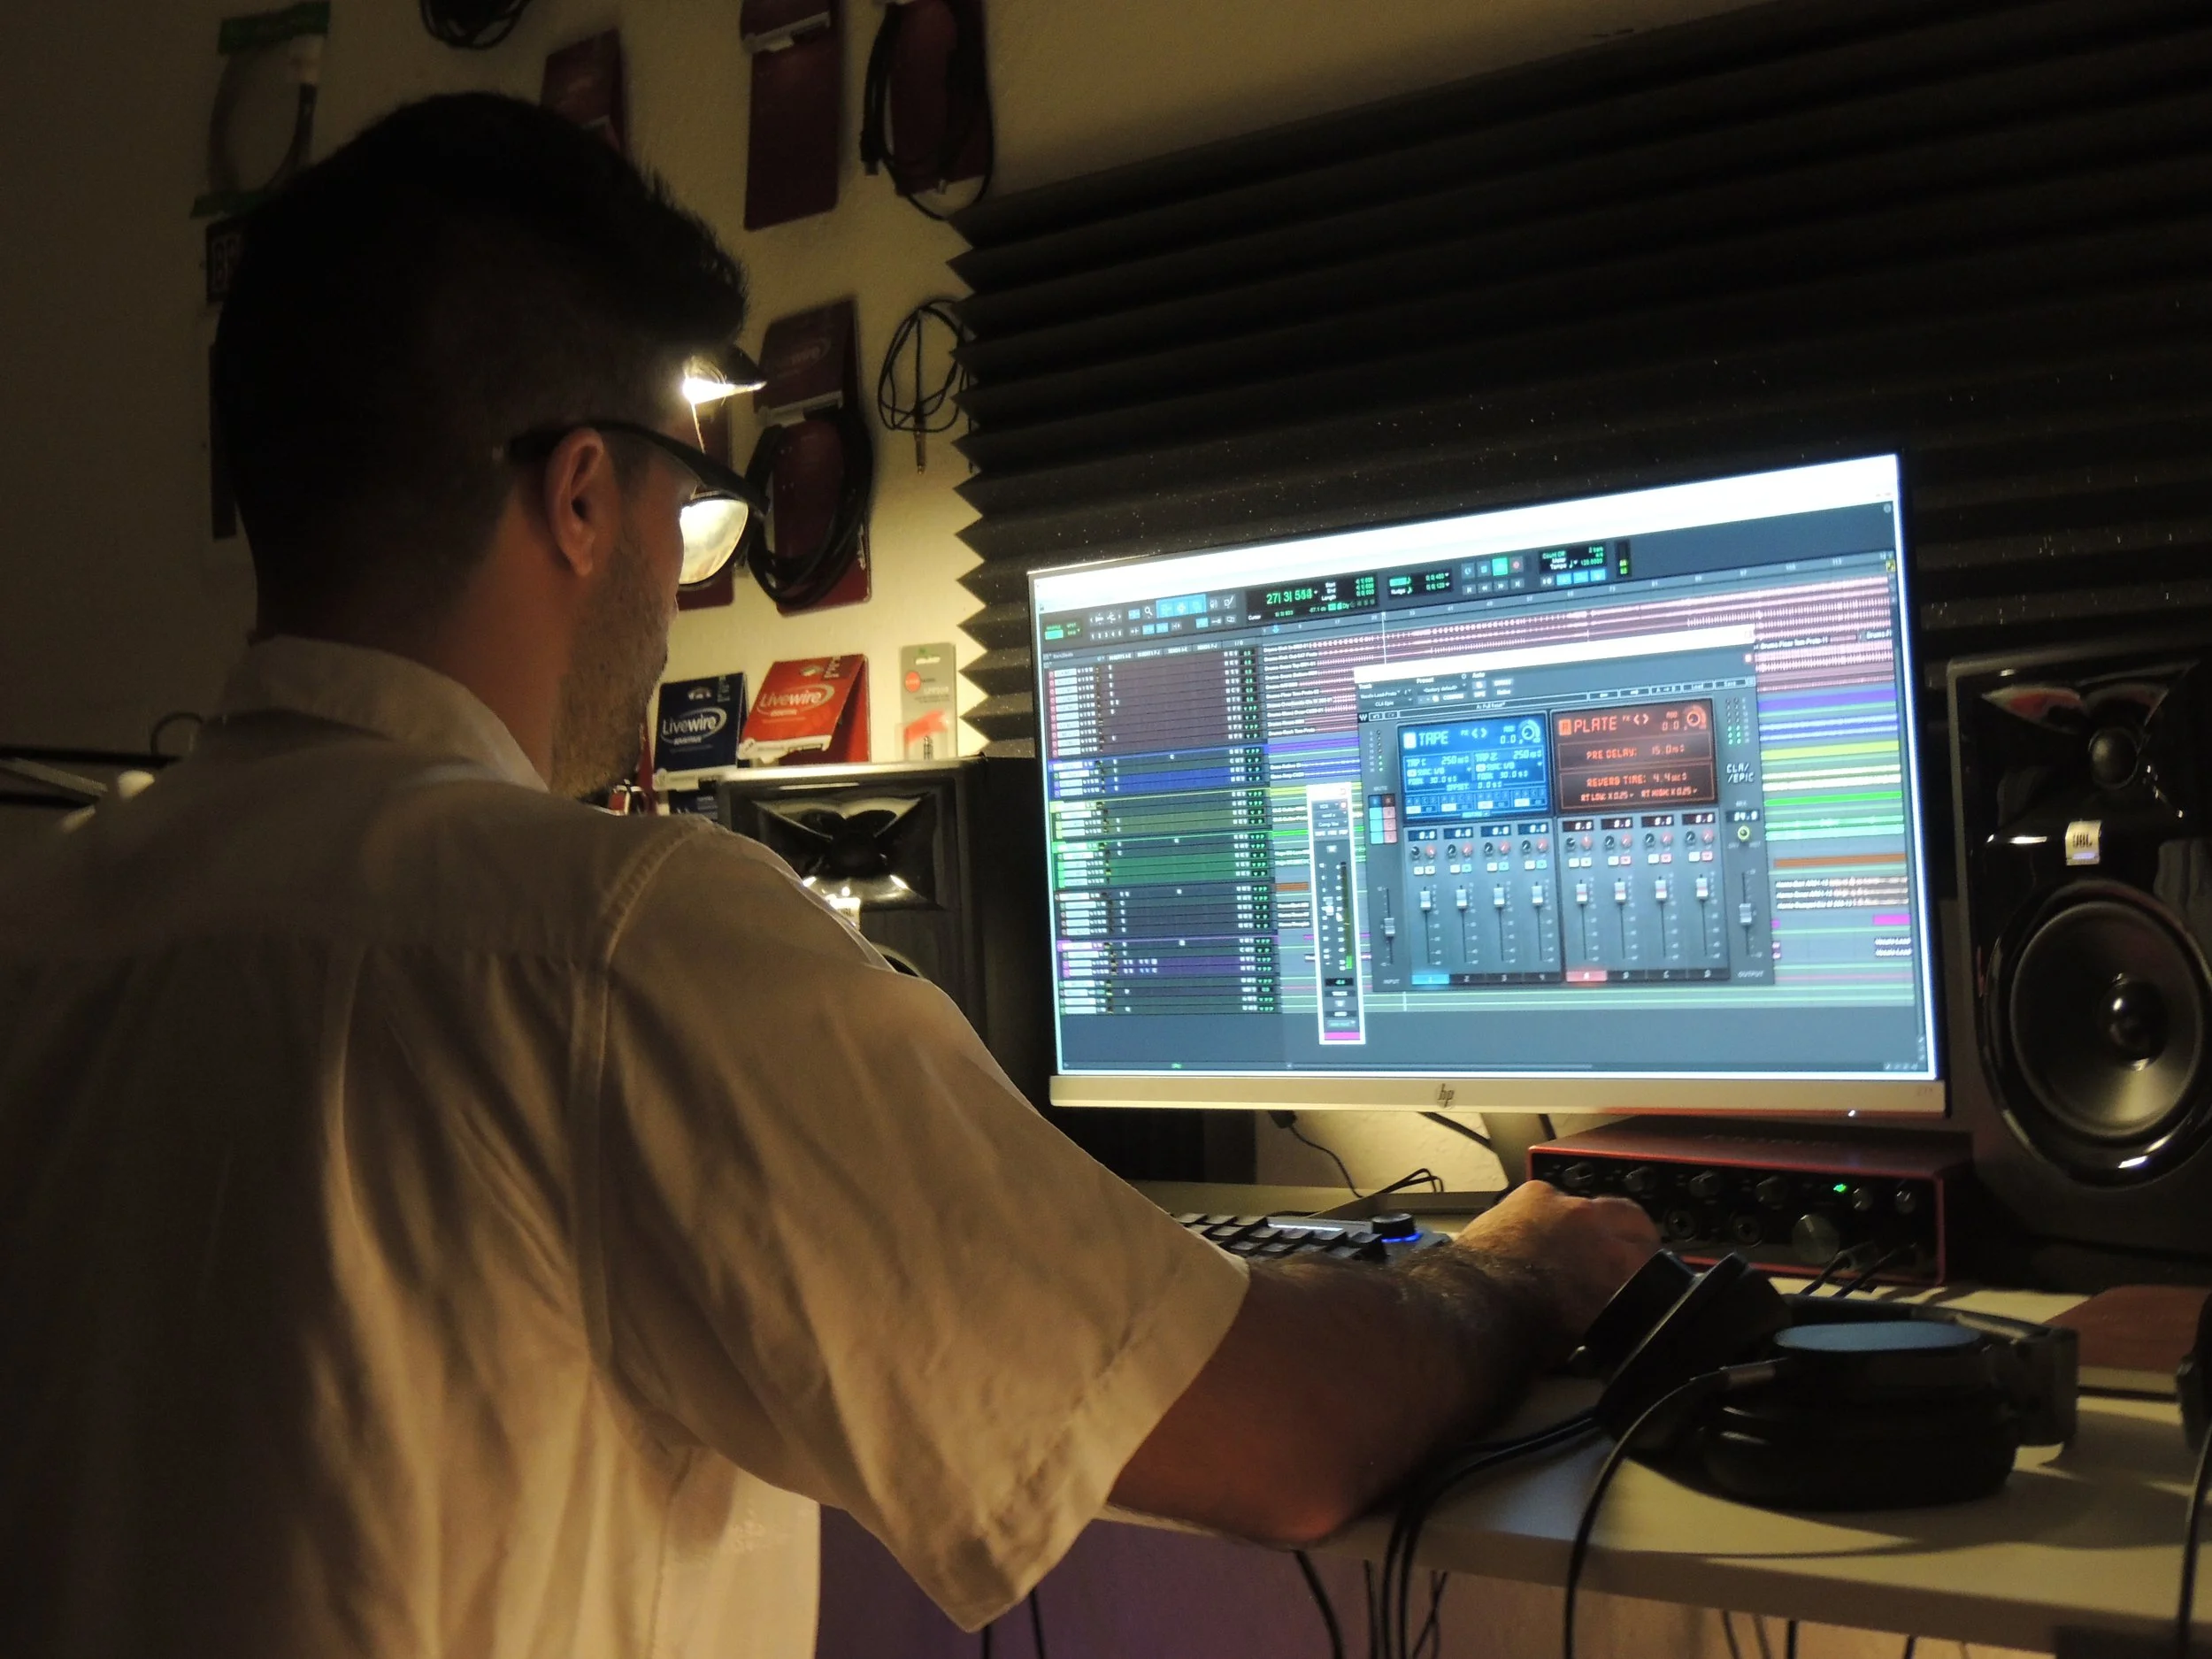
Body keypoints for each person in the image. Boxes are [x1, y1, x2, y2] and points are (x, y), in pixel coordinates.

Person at [0, 94, 1657, 1659]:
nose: (677, 575)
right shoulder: (612, 943)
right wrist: (1514, 1267)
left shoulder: (45, 919)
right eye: (690, 501)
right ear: (582, 494)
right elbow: (1290, 1438)